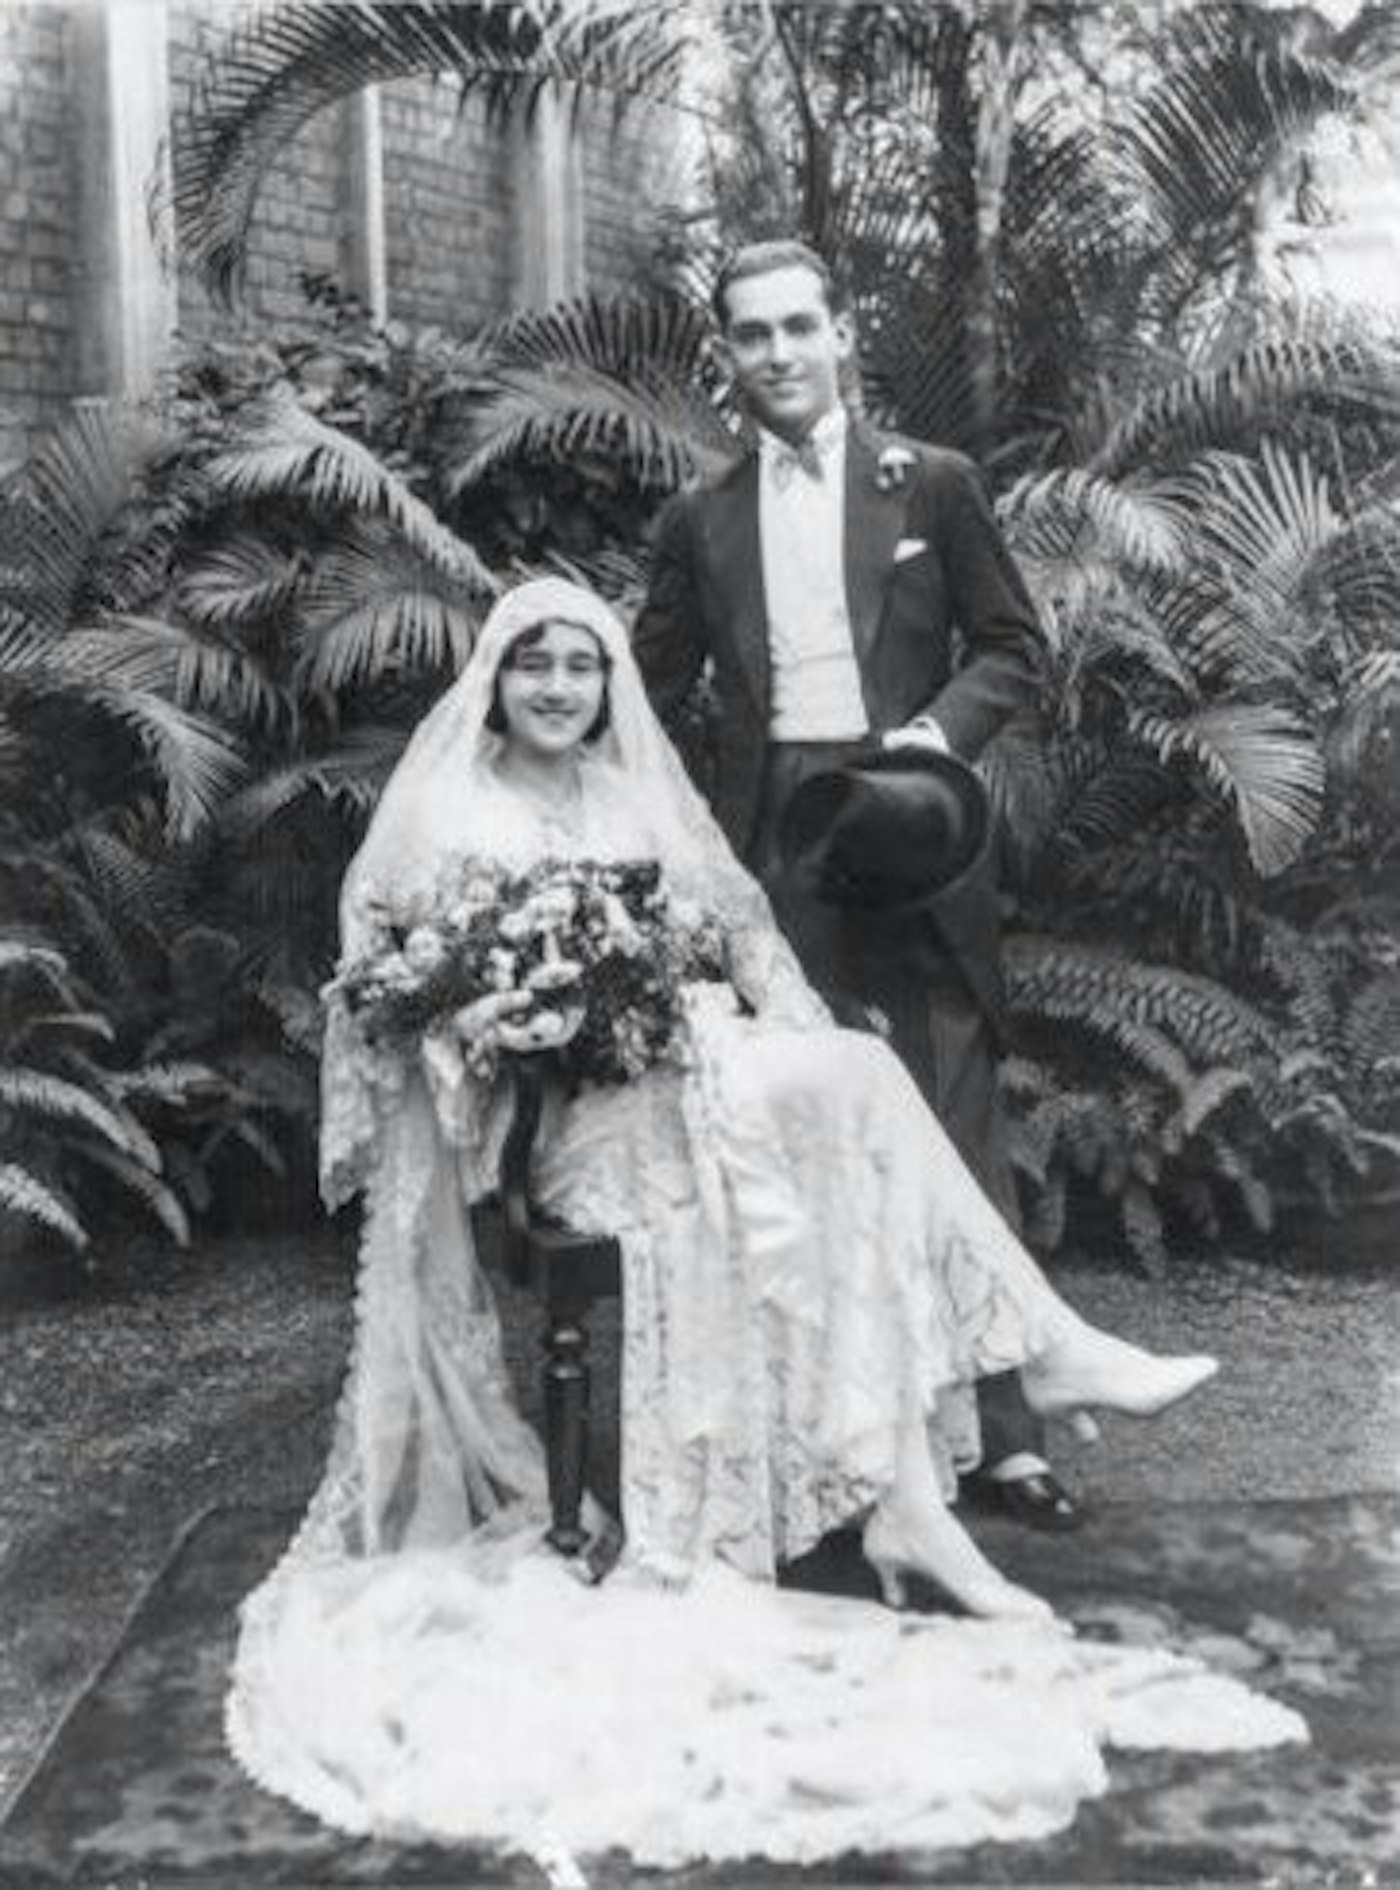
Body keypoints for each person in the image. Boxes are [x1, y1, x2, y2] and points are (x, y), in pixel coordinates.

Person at [224, 578, 1304, 1867]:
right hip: (559, 1126)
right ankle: (1024, 1371)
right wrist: (494, 1022)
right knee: (850, 1095)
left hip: (695, 1075)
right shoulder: (446, 812)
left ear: (612, 684)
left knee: (840, 1089)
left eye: (584, 667)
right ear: (497, 685)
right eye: (535, 668)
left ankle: (913, 1498)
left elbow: (744, 928)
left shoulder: (640, 795)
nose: (561, 688)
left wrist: (778, 1011)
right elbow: (381, 1006)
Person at [632, 239, 1081, 1532]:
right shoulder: (699, 519)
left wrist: (935, 742)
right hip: (780, 853)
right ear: (726, 356)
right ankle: (839, 1451)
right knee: (799, 1141)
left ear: (841, 336)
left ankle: (1007, 1441)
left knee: (953, 1129)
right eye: (750, 335)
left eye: (796, 328)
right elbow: (653, 682)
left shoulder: (928, 484)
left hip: (917, 831)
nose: (776, 353)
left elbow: (1011, 648)